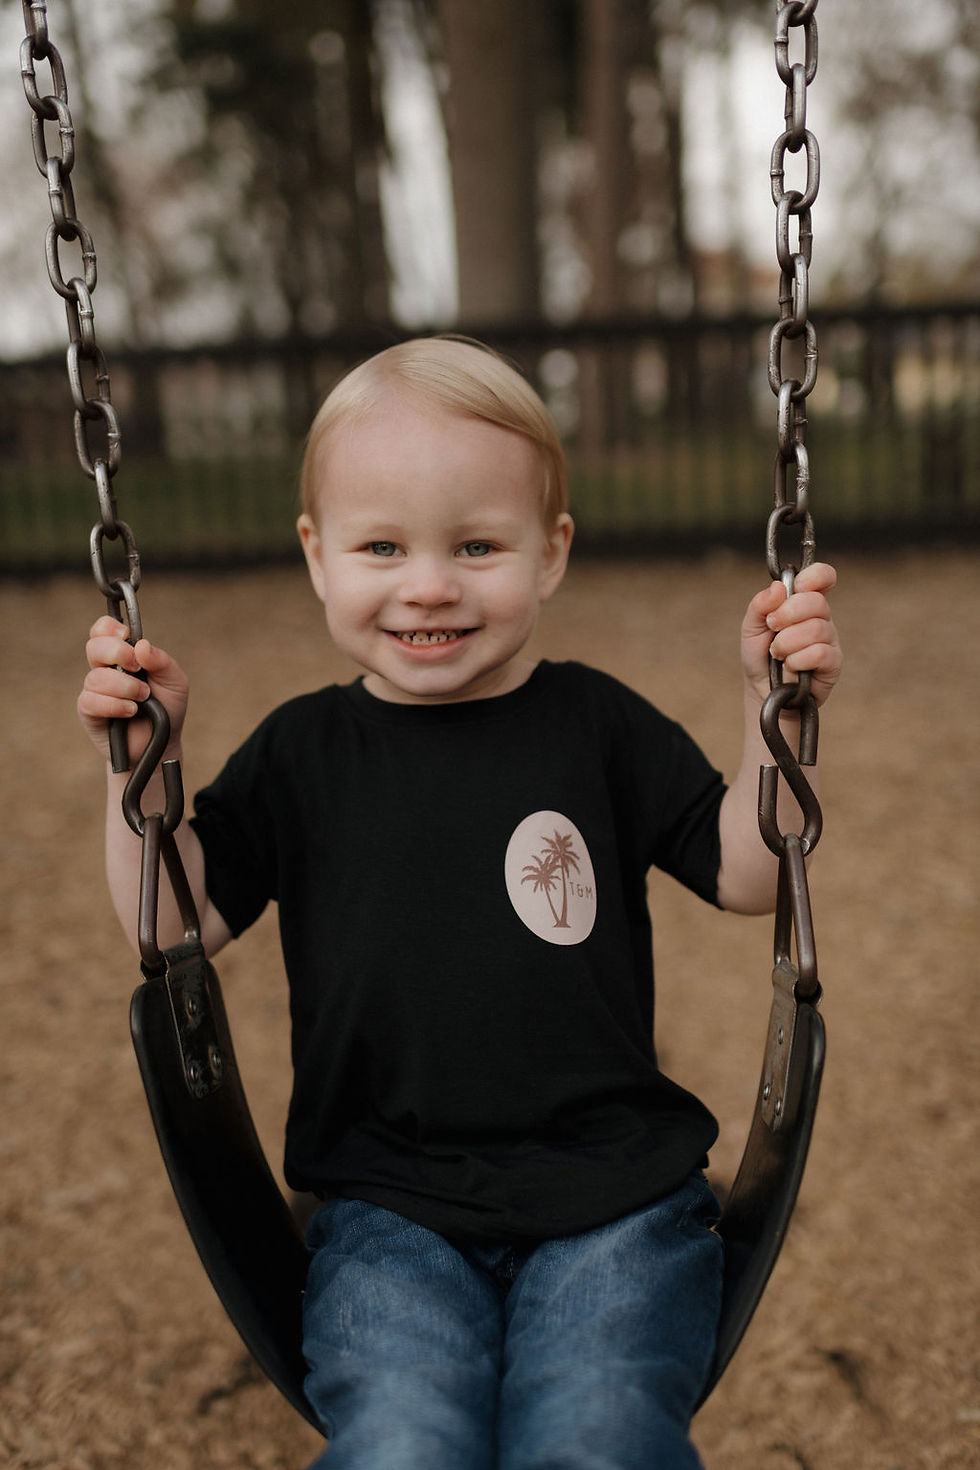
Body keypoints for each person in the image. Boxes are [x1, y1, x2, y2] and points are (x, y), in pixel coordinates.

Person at [78, 337, 842, 1470]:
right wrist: (137, 770)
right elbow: (169, 923)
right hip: (388, 1219)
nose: (427, 584)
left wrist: (765, 710)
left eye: (476, 545)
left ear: (550, 554)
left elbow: (748, 873)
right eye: (380, 545)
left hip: (615, 1201)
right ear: (316, 557)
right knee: (399, 1443)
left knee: (596, 1430)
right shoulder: (303, 753)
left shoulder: (597, 725)